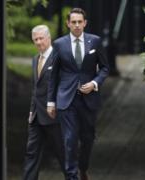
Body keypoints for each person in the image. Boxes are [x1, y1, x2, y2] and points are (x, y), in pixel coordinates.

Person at [47, 8, 110, 180]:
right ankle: (71, 175)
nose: (76, 25)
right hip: (66, 99)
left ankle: (83, 168)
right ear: (68, 23)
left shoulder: (95, 42)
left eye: (79, 22)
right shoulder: (59, 44)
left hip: (89, 99)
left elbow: (105, 68)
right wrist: (50, 102)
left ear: (85, 23)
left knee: (88, 138)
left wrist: (95, 83)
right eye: (73, 22)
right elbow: (53, 74)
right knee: (70, 138)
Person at [23, 25, 65, 180]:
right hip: (36, 117)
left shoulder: (59, 58)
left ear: (49, 38)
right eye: (36, 39)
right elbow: (36, 88)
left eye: (41, 38)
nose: (39, 42)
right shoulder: (35, 59)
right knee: (31, 153)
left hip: (55, 116)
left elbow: (65, 87)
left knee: (63, 154)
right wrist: (31, 111)